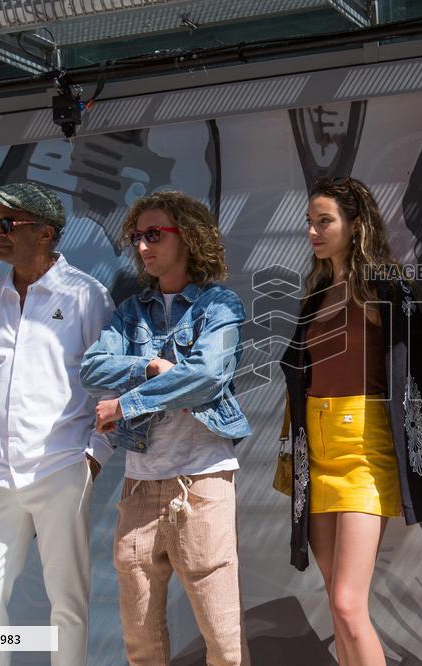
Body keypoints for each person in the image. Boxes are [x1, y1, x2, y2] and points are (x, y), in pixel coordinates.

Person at [80, 191, 251, 665]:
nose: (141, 246)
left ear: (188, 237)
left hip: (201, 481)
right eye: (136, 236)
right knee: (141, 644)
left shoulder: (219, 305)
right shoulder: (130, 310)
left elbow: (207, 376)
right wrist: (151, 370)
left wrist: (127, 402)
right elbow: (93, 370)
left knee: (223, 640)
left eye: (154, 234)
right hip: (139, 487)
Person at [279, 176, 422, 666]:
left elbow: (420, 358)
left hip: (366, 448)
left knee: (348, 604)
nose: (313, 232)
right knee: (335, 599)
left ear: (356, 224)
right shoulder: (317, 293)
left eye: (324, 221)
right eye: (309, 222)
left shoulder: (385, 289)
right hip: (317, 451)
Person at [0, 181, 113, 666]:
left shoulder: (88, 295)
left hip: (60, 465)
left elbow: (108, 384)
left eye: (9, 224)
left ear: (45, 233)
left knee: (66, 601)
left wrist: (93, 457)